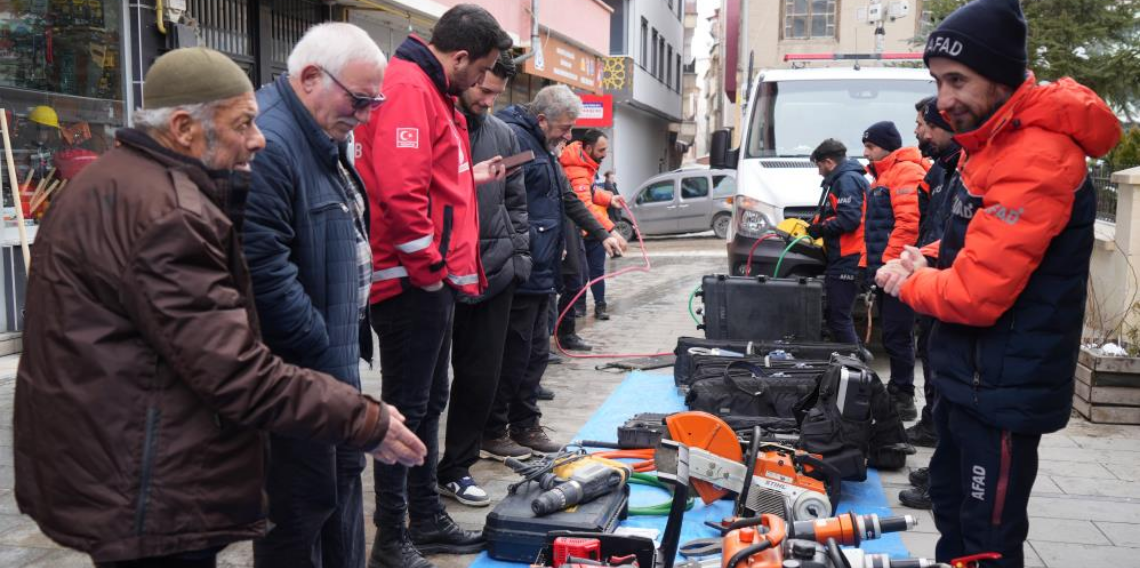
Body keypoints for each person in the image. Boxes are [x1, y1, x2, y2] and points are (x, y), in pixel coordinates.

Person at [12, 47, 425, 568]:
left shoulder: (110, 180)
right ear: (185, 128)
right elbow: (234, 371)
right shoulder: (168, 215)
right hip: (147, 484)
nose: (259, 138)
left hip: (111, 463)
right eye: (244, 123)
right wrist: (366, 420)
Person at [876, 0, 1121, 564]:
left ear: (1001, 75)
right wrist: (928, 256)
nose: (944, 100)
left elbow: (976, 294)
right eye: (938, 82)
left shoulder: (1037, 155)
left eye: (957, 80)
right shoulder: (993, 144)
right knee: (952, 511)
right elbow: (980, 240)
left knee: (986, 540)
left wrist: (904, 281)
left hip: (1002, 390)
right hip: (972, 378)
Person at [353, 5, 512, 568]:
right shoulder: (410, 89)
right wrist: (430, 273)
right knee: (406, 410)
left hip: (424, 281)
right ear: (462, 56)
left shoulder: (425, 89)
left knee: (426, 404)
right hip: (411, 284)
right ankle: (392, 536)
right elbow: (401, 194)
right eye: (482, 70)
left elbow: (427, 184)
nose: (481, 84)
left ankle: (422, 520)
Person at [239, 23, 386, 568]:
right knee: (298, 517)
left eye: (375, 101)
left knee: (340, 491)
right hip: (298, 378)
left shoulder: (322, 134)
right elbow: (266, 277)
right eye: (360, 100)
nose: (366, 115)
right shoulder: (271, 142)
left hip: (330, 367)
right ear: (309, 78)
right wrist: (327, 356)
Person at [486, 85, 624, 458]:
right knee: (513, 354)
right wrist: (515, 255)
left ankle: (525, 424)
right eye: (565, 128)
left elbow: (566, 198)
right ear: (543, 119)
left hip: (543, 266)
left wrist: (603, 232)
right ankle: (494, 430)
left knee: (534, 353)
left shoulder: (547, 150)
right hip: (520, 266)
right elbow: (498, 204)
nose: (569, 136)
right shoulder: (513, 139)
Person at [436, 52, 533, 508]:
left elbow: (516, 200)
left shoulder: (501, 133)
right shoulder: (439, 120)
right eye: (483, 89)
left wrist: (518, 256)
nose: (488, 99)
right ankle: (416, 480)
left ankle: (456, 466)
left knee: (479, 380)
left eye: (496, 93)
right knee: (432, 385)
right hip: (439, 274)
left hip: (494, 272)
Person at [860, 120, 926, 421]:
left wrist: (890, 263)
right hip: (887, 268)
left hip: (898, 269)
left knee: (899, 334)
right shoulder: (883, 176)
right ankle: (898, 390)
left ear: (886, 146)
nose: (866, 152)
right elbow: (874, 228)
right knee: (893, 334)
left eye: (870, 146)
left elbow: (908, 224)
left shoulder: (905, 172)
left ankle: (903, 395)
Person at [806, 138, 867, 345]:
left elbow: (849, 219)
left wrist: (820, 229)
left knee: (839, 318)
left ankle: (856, 363)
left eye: (819, 166)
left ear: (829, 162)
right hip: (845, 255)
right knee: (837, 316)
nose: (819, 171)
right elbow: (837, 213)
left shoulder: (846, 181)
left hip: (848, 257)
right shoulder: (845, 179)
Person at [560, 129, 624, 325]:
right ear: (588, 148)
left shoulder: (584, 163)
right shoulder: (578, 170)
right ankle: (563, 329)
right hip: (579, 232)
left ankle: (594, 309)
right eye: (601, 150)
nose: (605, 154)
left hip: (589, 231)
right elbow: (584, 205)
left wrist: (609, 198)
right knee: (576, 279)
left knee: (591, 273)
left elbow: (590, 191)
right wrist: (610, 231)